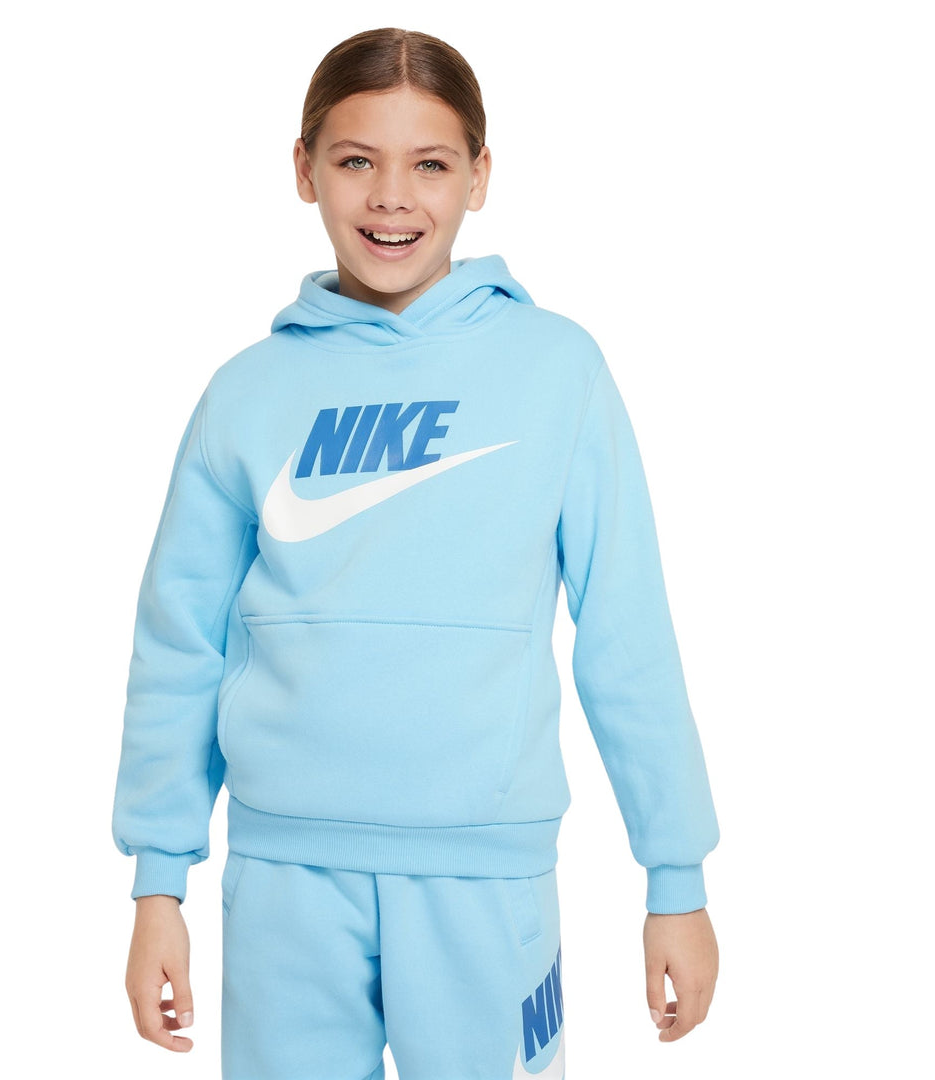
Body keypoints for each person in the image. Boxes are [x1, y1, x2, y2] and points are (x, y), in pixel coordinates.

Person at [112, 26, 720, 1080]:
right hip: (284, 880)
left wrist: (675, 878)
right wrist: (158, 880)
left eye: (430, 164)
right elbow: (179, 643)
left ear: (479, 176)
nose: (392, 198)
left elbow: (626, 633)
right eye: (356, 160)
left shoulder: (558, 371)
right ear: (304, 168)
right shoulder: (246, 394)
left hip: (486, 881)